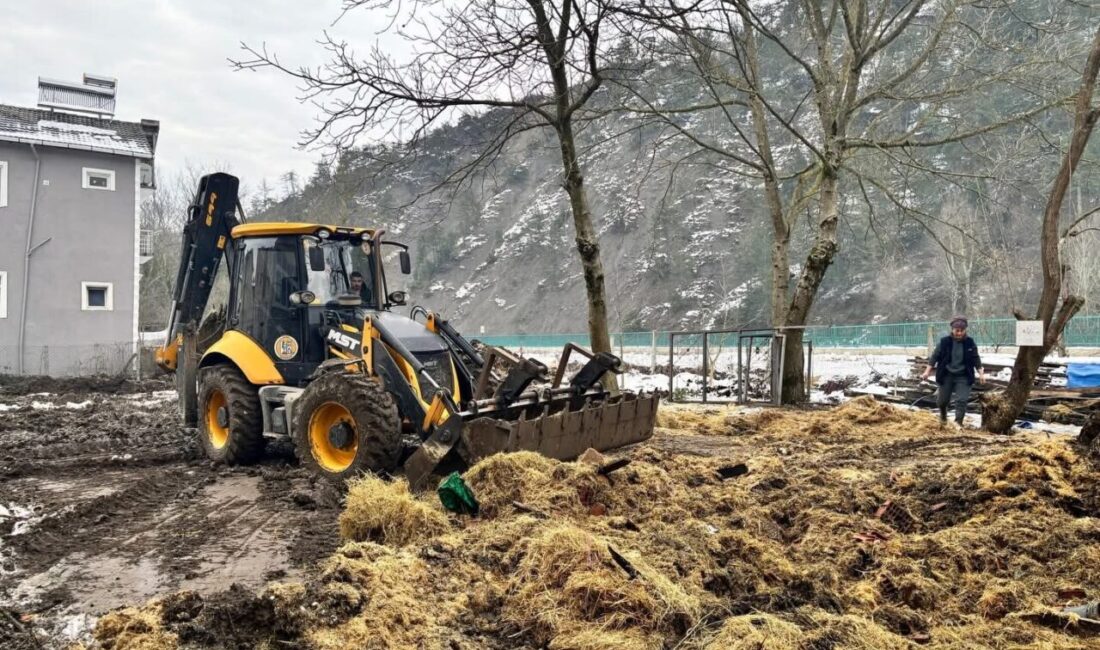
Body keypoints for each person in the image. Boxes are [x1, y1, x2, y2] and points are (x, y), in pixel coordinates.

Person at [921, 317, 985, 425]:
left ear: (965, 330)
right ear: (952, 330)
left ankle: (958, 423)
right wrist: (927, 372)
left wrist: (981, 374)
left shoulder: (970, 342)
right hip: (947, 375)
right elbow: (934, 357)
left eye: (962, 331)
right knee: (942, 401)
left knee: (962, 400)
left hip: (963, 376)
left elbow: (976, 358)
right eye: (957, 331)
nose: (959, 333)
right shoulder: (944, 342)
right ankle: (943, 415)